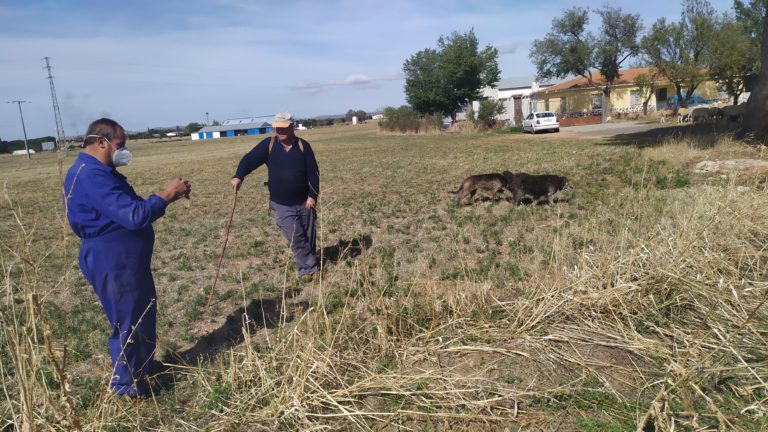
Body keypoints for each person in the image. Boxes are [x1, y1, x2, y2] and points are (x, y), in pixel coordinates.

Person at [63, 118, 191, 398]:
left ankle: (142, 368)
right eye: (120, 145)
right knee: (129, 321)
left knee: (142, 315)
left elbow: (129, 209)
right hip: (113, 259)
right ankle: (127, 389)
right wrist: (167, 195)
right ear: (100, 142)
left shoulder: (100, 171)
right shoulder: (91, 176)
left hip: (125, 259)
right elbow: (134, 216)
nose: (124, 152)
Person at [231, 112, 320, 280]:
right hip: (281, 204)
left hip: (304, 201)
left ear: (292, 127)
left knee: (309, 235)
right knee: (295, 236)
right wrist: (238, 175)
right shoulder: (269, 144)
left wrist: (313, 196)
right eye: (277, 127)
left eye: (283, 128)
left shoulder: (303, 146)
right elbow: (249, 159)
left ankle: (310, 262)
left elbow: (314, 173)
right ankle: (308, 270)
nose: (279, 131)